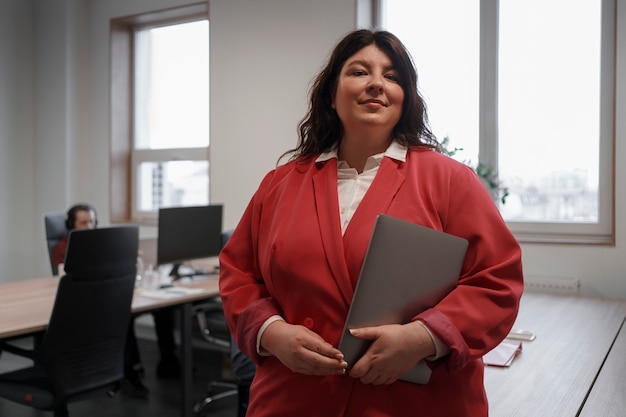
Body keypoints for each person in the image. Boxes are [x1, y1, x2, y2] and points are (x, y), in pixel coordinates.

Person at [218, 29, 524, 416]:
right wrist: (271, 332)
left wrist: (423, 337)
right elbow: (238, 274)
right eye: (359, 72)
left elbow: (496, 280)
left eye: (392, 76)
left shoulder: (450, 180)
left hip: (414, 402)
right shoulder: (279, 185)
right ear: (332, 93)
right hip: (295, 398)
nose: (377, 84)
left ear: (405, 97)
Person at [52, 203, 181, 397]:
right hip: (85, 299)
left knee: (164, 311)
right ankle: (130, 371)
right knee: (122, 316)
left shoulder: (100, 241)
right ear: (71, 225)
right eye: (83, 222)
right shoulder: (63, 248)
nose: (89, 227)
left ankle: (168, 361)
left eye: (92, 222)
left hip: (107, 291)